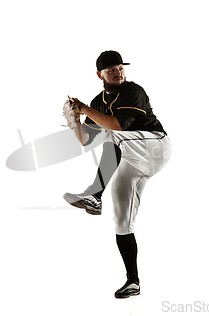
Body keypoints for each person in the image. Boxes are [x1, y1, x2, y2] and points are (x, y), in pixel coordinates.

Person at [63, 50, 172, 298]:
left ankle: (94, 194)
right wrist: (75, 120)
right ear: (99, 74)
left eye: (120, 67)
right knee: (122, 219)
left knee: (111, 133)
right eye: (111, 69)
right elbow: (84, 140)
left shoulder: (134, 91)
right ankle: (133, 281)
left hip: (154, 146)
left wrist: (85, 109)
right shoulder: (98, 101)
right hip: (132, 158)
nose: (118, 71)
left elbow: (117, 126)